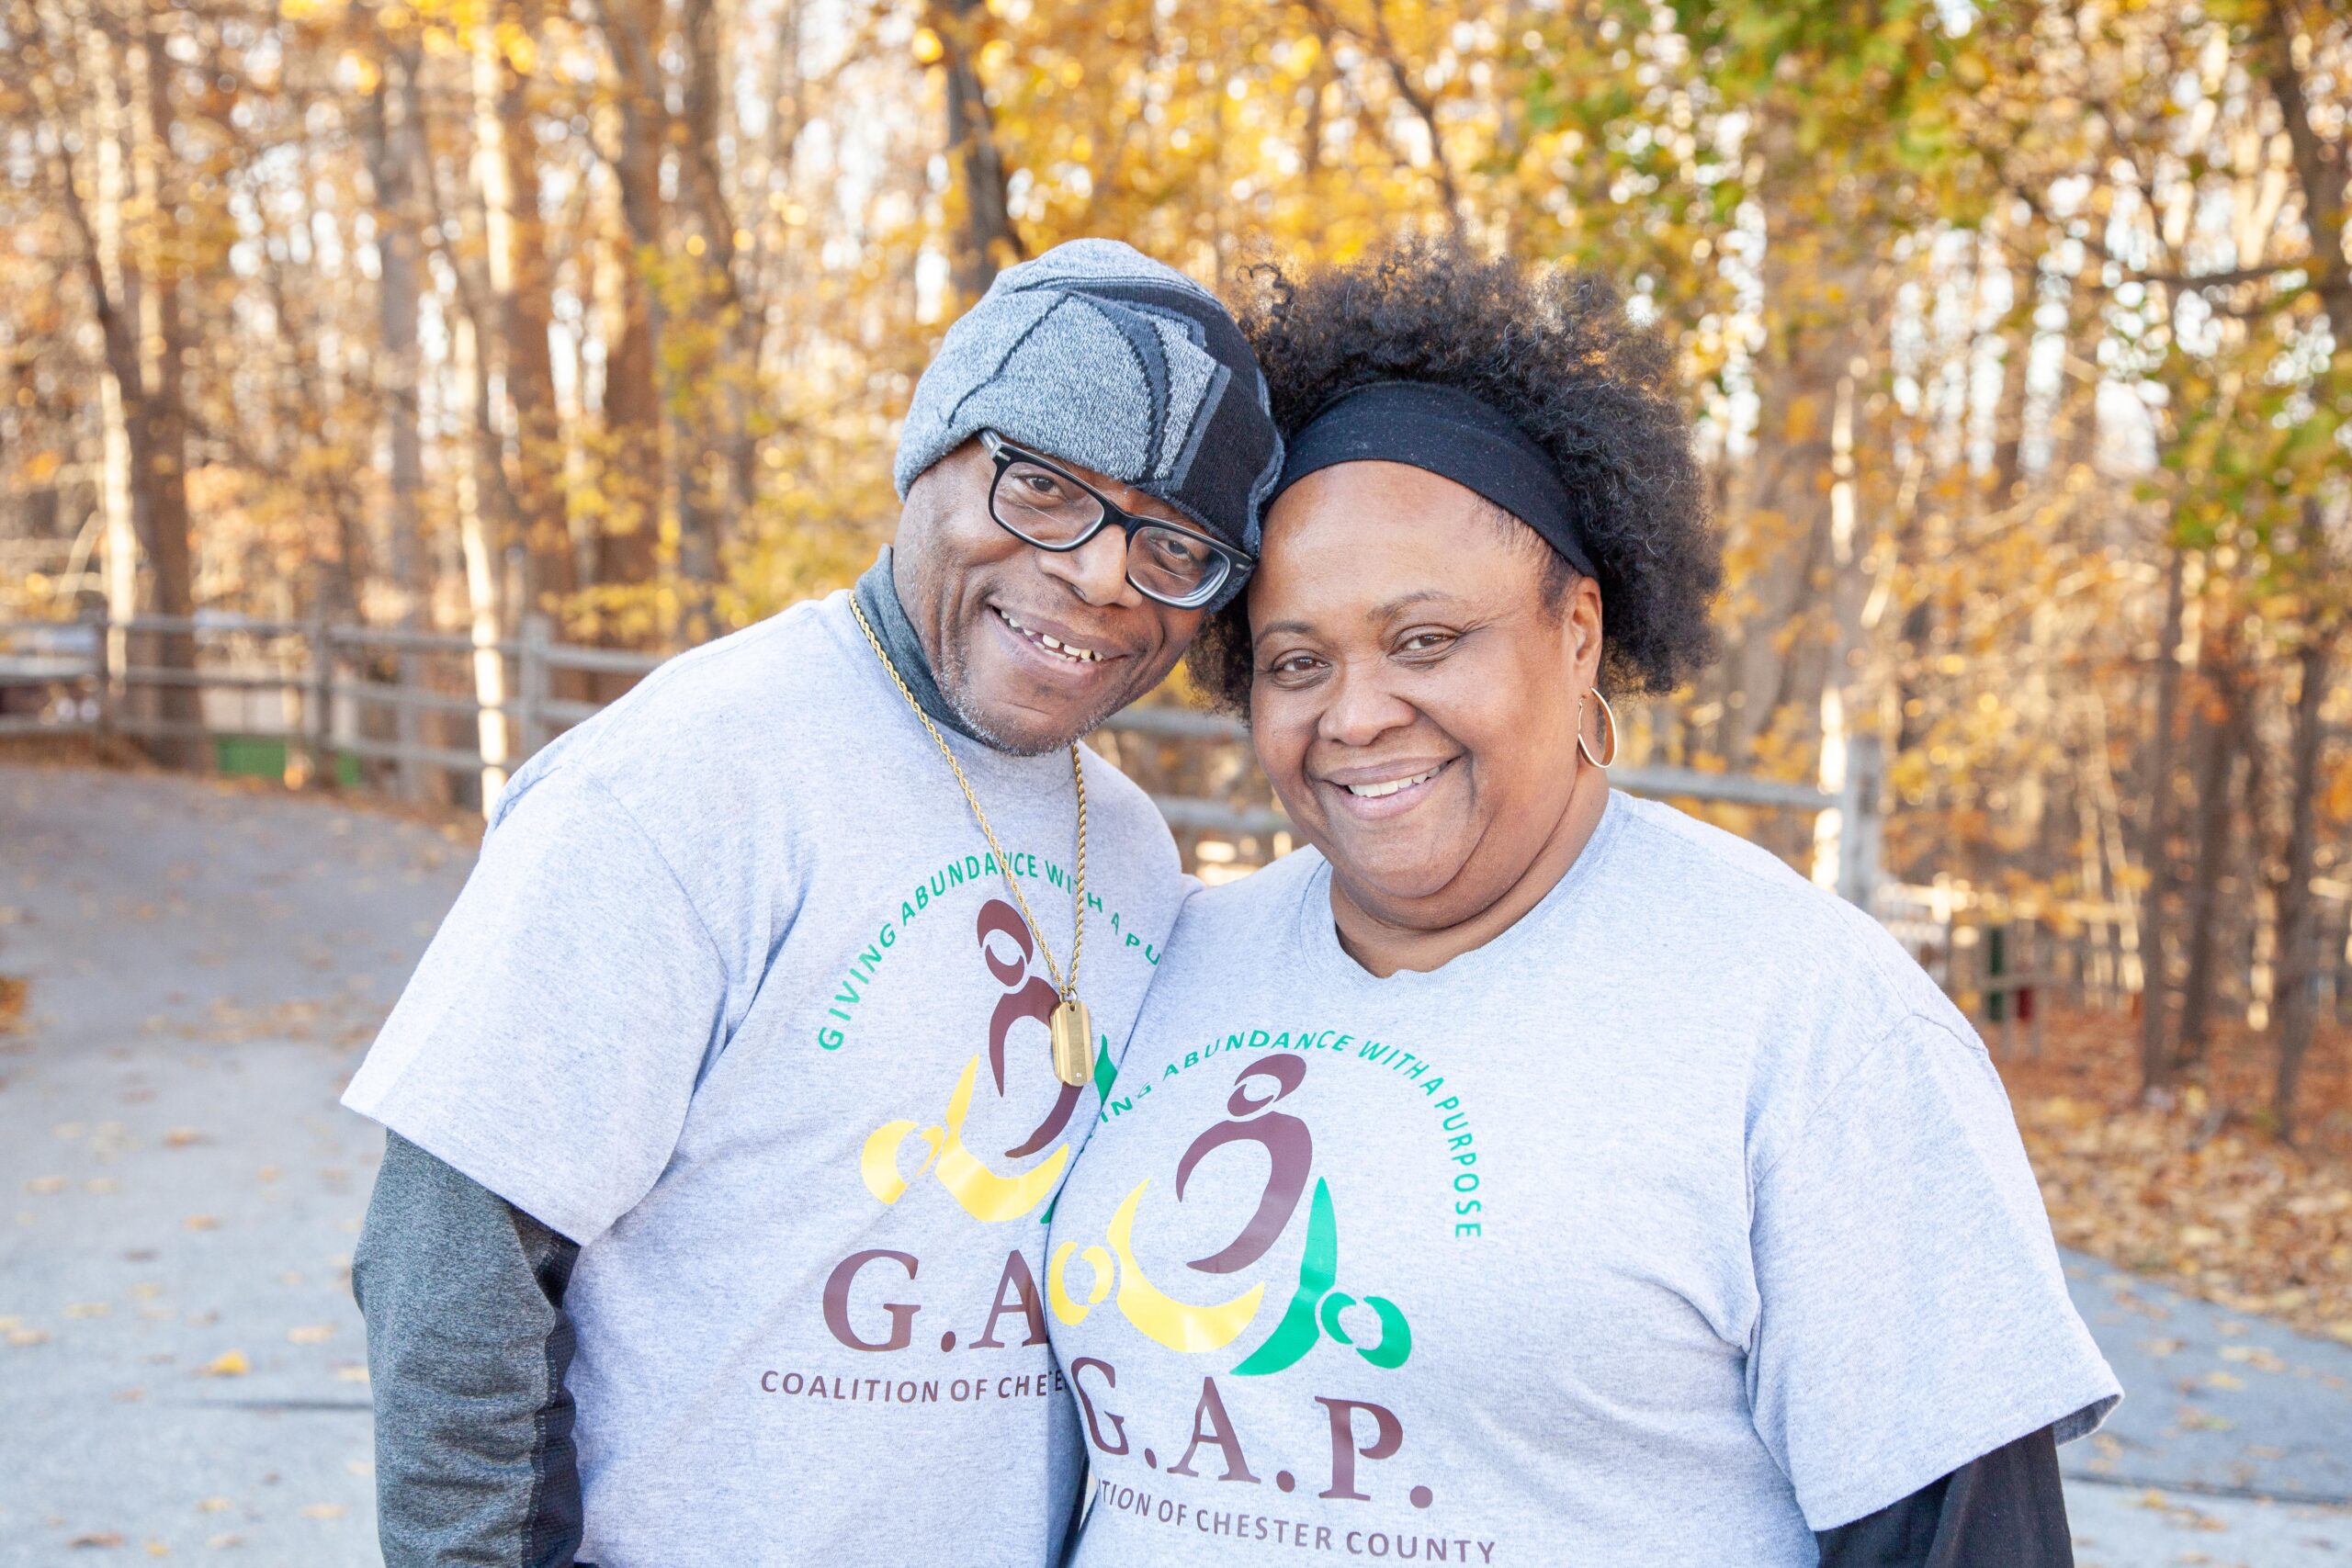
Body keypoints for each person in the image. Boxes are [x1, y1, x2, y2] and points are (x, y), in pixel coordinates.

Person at [1042, 242, 2120, 1567]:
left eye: (1427, 640)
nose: (1359, 713)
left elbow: (1965, 1545)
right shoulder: (1178, 958)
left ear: (1578, 630)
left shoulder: (1805, 1017)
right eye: (1297, 661)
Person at [341, 238, 1283, 1567]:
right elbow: (452, 1265)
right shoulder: (686, 779)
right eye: (1044, 488)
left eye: (1173, 546)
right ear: (931, 457)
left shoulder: (1129, 845)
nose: (1101, 577)